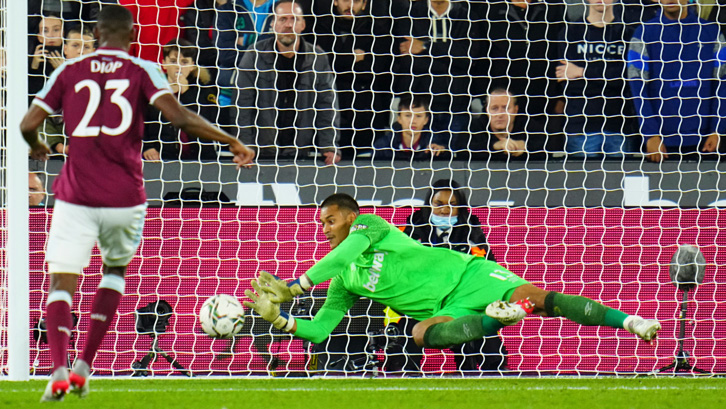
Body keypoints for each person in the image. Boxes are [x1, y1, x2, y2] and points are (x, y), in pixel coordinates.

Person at [19, 5, 255, 402]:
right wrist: (230, 140)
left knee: (61, 282)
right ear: (132, 35)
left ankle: (58, 368)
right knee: (112, 275)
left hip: (75, 193)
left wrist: (39, 145)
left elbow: (27, 124)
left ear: (95, 33)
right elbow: (180, 118)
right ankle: (84, 366)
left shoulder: (68, 71)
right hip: (124, 196)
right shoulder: (143, 70)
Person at [243, 193, 661, 365]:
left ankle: (630, 322)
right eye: (321, 223)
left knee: (544, 299)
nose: (324, 228)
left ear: (350, 217)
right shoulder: (342, 282)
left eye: (330, 220)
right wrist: (281, 321)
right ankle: (499, 317)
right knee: (423, 334)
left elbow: (346, 251)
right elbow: (319, 332)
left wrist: (297, 286)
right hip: (448, 308)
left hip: (470, 274)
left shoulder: (370, 226)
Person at [396, 179, 505, 373]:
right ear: (430, 205)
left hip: (460, 304)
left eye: (452, 205)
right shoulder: (412, 228)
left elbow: (487, 266)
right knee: (401, 350)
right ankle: (403, 378)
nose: (445, 210)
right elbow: (396, 266)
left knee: (492, 351)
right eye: (439, 204)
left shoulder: (471, 230)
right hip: (419, 303)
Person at [234, 0, 340, 164]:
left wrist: (329, 146)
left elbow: (327, 105)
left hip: (301, 152)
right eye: (283, 19)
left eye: (294, 19)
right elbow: (242, 105)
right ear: (273, 24)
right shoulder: (254, 55)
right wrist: (244, 147)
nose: (289, 25)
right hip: (261, 153)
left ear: (303, 25)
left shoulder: (318, 59)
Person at [627, 0, 726, 162]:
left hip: (706, 143)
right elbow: (637, 88)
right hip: (661, 145)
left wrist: (717, 130)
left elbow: (722, 84)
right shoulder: (643, 33)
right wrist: (650, 134)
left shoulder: (712, 32)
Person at [305, 0, 394, 157]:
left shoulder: (378, 32)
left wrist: (330, 57)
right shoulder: (318, 30)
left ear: (365, 4)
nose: (350, 5)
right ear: (335, 2)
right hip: (325, 121)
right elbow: (314, 69)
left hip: (366, 122)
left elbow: (374, 71)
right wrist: (353, 57)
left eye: (357, 1)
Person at [393, 0, 478, 148]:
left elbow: (468, 58)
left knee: (455, 162)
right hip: (420, 109)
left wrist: (425, 46)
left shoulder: (466, 15)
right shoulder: (410, 15)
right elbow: (409, 62)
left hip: (456, 108)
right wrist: (450, 57)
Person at [557, 0, 636, 158]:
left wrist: (582, 72)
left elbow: (628, 77)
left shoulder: (628, 33)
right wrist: (609, 76)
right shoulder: (570, 33)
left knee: (618, 181)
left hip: (619, 125)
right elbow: (569, 82)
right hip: (581, 126)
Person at [143, 39, 223, 161]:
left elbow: (210, 122)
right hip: (162, 159)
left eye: (184, 62)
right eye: (173, 61)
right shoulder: (151, 91)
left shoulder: (205, 90)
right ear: (164, 63)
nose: (178, 66)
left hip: (200, 159)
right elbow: (137, 124)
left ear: (192, 66)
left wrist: (186, 93)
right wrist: (146, 147)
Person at [456, 87, 552, 161]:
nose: (500, 114)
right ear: (487, 110)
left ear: (515, 110)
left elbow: (550, 148)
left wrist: (525, 146)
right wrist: (495, 146)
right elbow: (461, 151)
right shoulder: (474, 127)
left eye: (505, 108)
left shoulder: (528, 125)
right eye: (494, 108)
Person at [373, 93, 449, 161]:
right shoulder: (383, 145)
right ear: (399, 119)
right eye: (408, 116)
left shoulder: (436, 143)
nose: (413, 121)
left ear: (426, 120)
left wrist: (443, 152)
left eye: (418, 116)